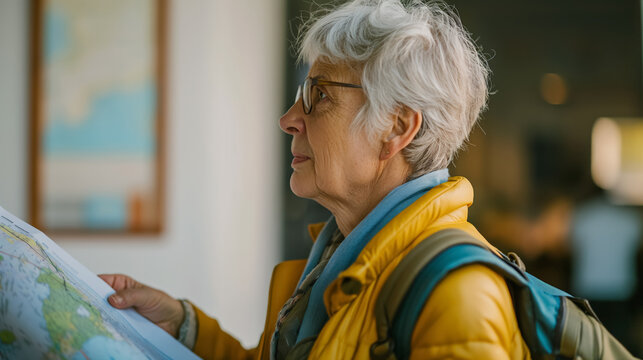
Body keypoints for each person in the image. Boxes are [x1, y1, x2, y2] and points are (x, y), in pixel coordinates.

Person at [100, 0, 531, 358]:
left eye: (318, 95)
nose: (288, 119)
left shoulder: (456, 294)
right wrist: (182, 325)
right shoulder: (338, 255)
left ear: (397, 128)